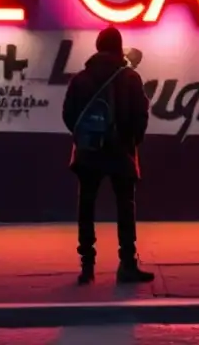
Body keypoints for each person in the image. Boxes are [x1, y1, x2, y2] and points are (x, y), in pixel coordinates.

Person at [62, 26, 155, 285]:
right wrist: (131, 140)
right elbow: (141, 115)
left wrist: (86, 138)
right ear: (118, 47)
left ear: (97, 47)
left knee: (86, 207)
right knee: (125, 207)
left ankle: (87, 266)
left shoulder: (80, 79)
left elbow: (69, 115)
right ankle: (127, 264)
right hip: (120, 152)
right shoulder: (130, 78)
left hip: (89, 153)